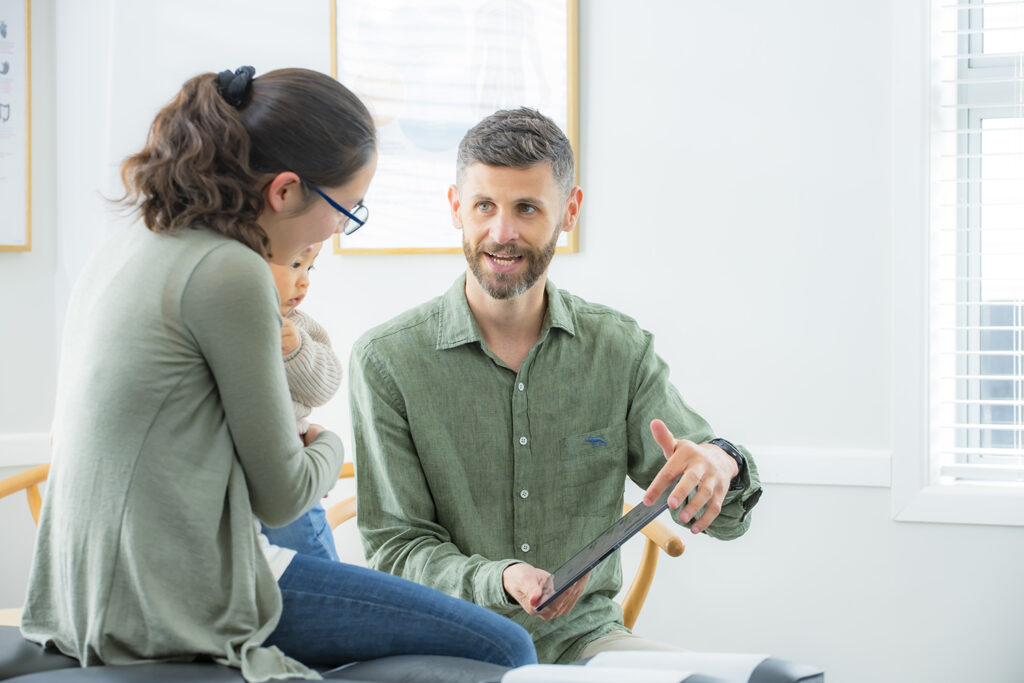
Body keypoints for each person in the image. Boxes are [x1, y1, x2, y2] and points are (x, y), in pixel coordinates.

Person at [20, 68, 536, 682]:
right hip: (172, 595)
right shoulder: (229, 271)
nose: (341, 229)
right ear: (286, 191)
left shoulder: (130, 245)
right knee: (507, 649)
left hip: (84, 592)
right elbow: (285, 494)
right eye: (348, 208)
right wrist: (334, 446)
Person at [349, 107, 763, 665]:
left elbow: (720, 511)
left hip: (586, 645)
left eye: (526, 208)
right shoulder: (387, 360)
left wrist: (722, 464)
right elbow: (397, 551)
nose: (501, 232)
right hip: (446, 649)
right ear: (455, 208)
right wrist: (499, 579)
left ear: (569, 212)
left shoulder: (618, 349)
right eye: (484, 206)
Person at [260, 241, 342, 561]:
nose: (305, 279)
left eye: (311, 267)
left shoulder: (301, 327)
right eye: (295, 263)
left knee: (315, 560)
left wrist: (297, 349)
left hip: (290, 463)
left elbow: (326, 385)